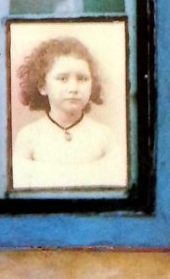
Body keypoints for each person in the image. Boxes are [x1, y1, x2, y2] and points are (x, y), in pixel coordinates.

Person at [12, 35, 121, 190]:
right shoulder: (28, 137)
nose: (73, 88)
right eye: (63, 79)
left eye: (82, 79)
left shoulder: (104, 137)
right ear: (43, 86)